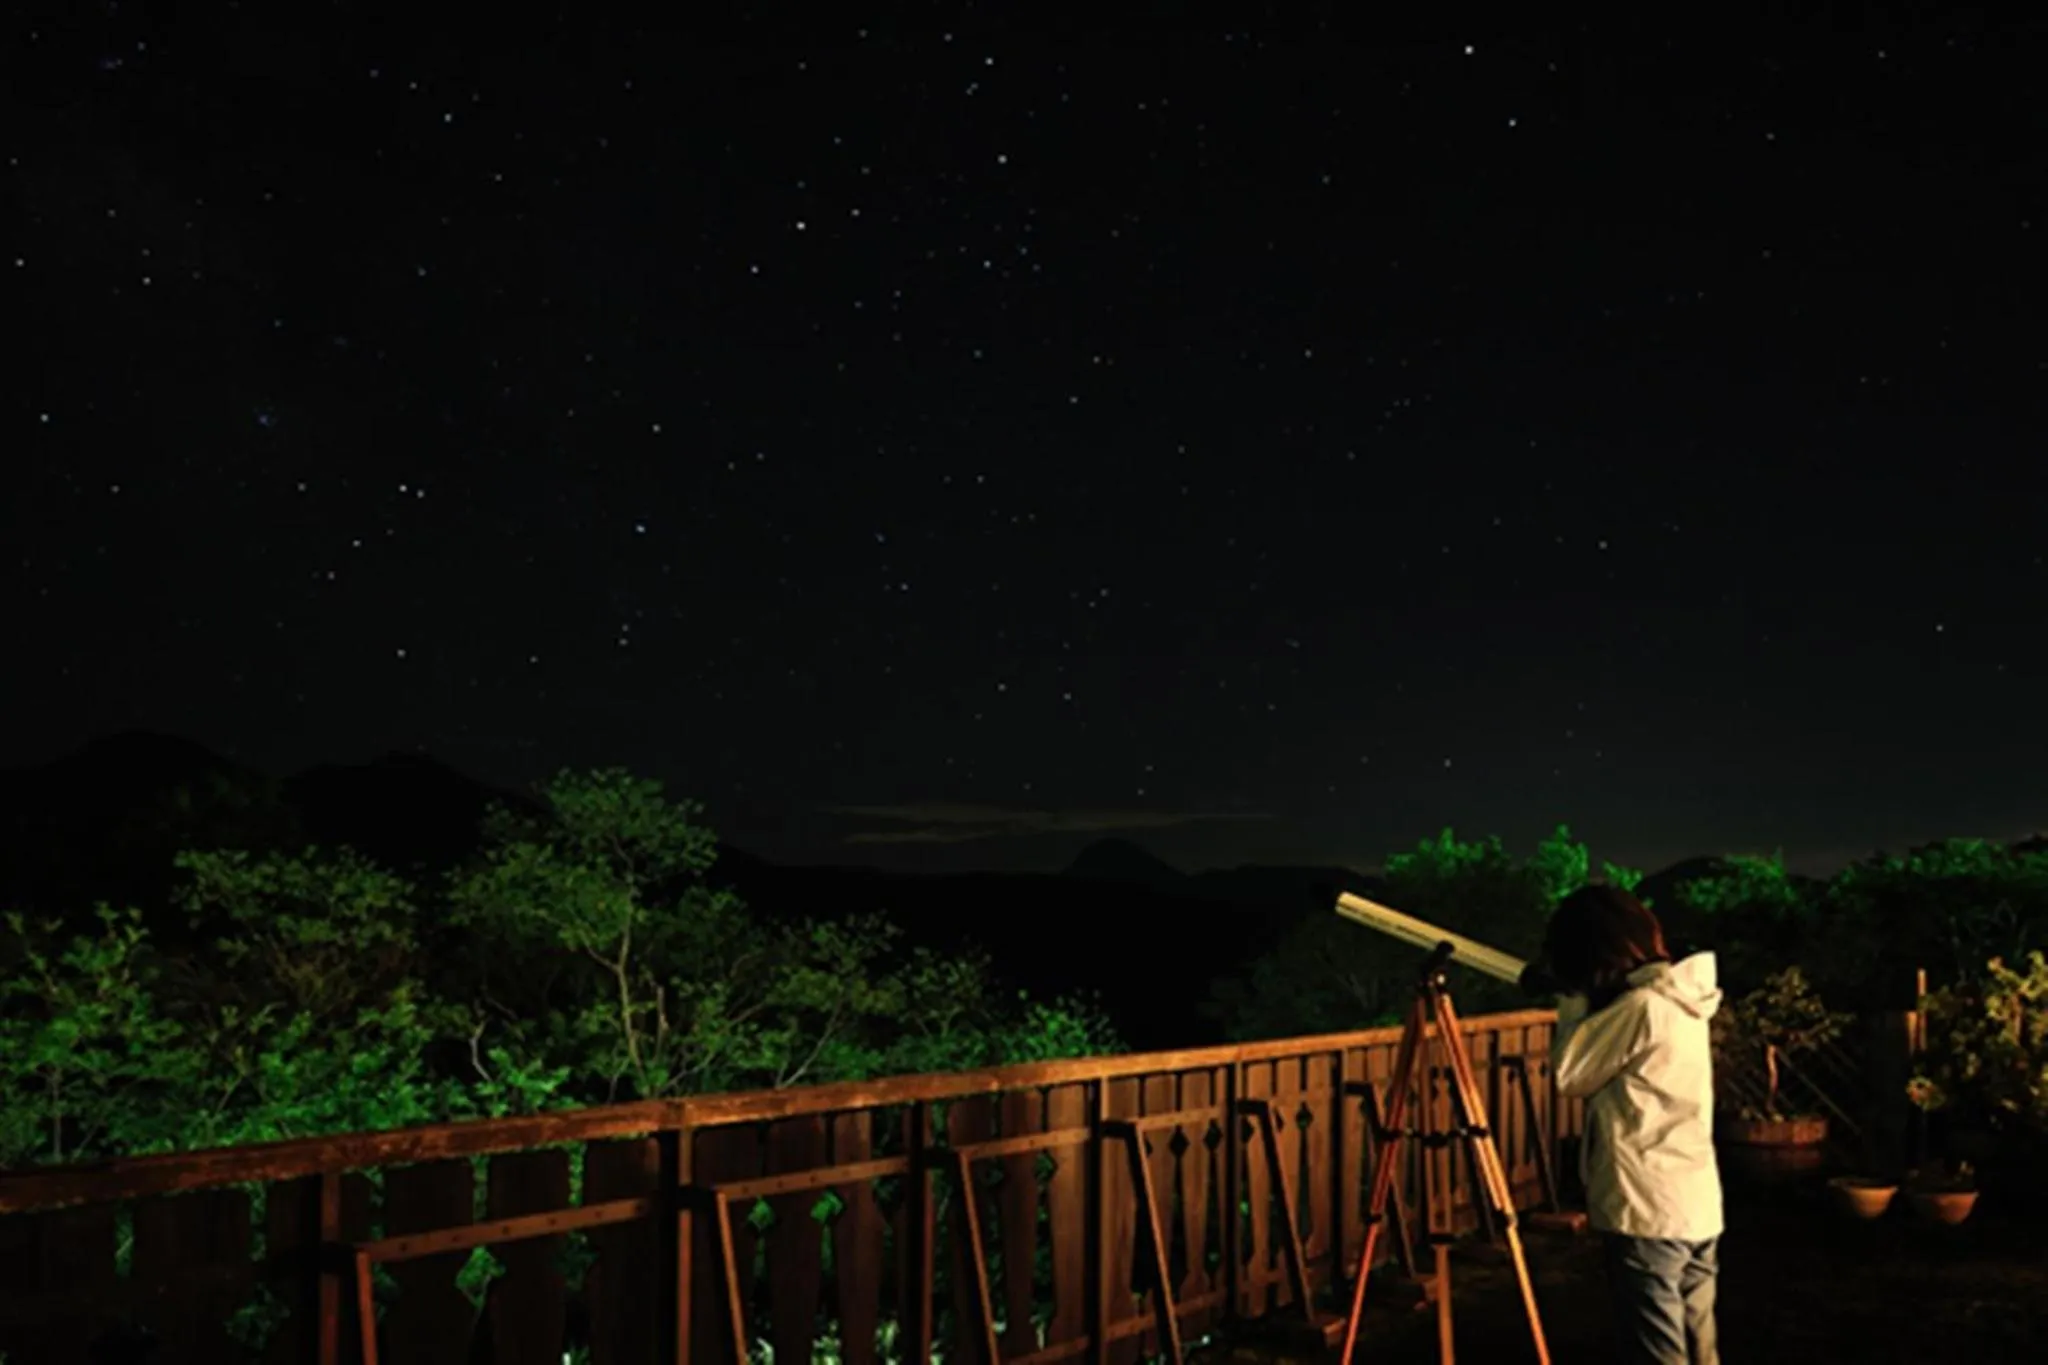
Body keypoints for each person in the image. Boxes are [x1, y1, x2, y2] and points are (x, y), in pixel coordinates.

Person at [1533, 883, 1725, 1365]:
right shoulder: (1682, 1000)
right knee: (1699, 1344)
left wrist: (1573, 999)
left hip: (1646, 1207)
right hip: (1694, 1202)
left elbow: (1569, 1073)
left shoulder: (1641, 1008)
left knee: (1658, 1352)